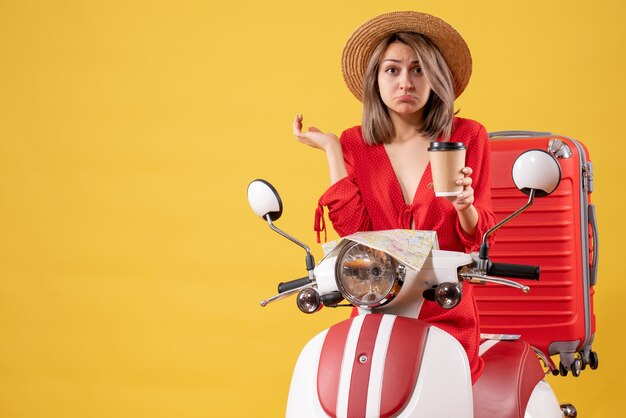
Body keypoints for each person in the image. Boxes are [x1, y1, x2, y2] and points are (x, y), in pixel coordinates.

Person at [293, 11, 496, 384]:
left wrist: (465, 207)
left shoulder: (468, 136)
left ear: (436, 79)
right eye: (393, 70)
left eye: (419, 70)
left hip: (444, 311)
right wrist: (333, 150)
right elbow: (356, 233)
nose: (406, 82)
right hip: (376, 310)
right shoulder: (356, 142)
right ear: (376, 79)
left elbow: (479, 240)